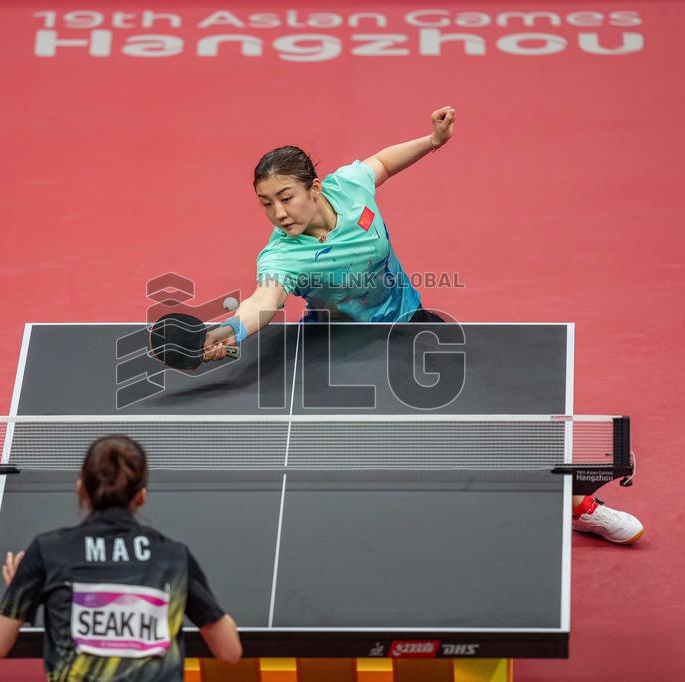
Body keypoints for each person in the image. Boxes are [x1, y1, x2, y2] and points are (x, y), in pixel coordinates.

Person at [201, 105, 643, 545]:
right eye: (265, 203)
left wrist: (433, 141)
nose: (278, 213)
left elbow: (384, 162)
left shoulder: (349, 187)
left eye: (285, 197)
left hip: (407, 325)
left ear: (315, 189)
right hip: (334, 347)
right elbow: (264, 300)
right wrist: (230, 331)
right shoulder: (280, 255)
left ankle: (579, 506)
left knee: (484, 418)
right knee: (338, 447)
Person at [0, 436, 242, 680]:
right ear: (141, 497)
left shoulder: (48, 551)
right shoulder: (173, 558)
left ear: (80, 489)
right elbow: (230, 651)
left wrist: (25, 587)